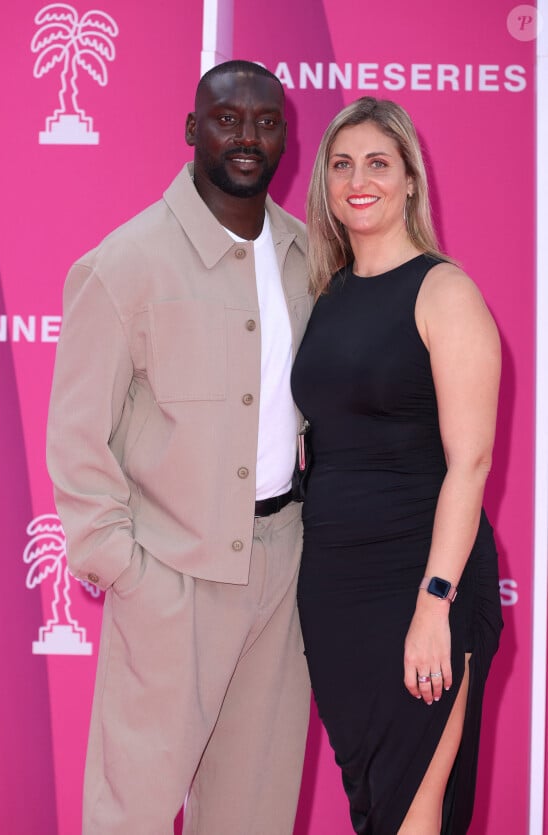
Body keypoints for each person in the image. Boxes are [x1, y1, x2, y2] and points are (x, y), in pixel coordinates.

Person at [46, 60, 312, 835]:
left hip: (281, 567)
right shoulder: (126, 262)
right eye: (228, 119)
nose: (247, 136)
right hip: (169, 573)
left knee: (252, 812)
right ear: (192, 130)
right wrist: (122, 568)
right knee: (129, 812)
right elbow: (76, 435)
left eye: (265, 121)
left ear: (284, 138)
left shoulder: (306, 255)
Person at [291, 96, 503, 835]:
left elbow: (470, 463)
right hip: (335, 588)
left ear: (410, 178)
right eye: (342, 164)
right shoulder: (324, 296)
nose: (359, 179)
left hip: (422, 578)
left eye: (378, 163)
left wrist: (434, 602)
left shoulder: (446, 293)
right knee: (374, 803)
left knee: (413, 809)